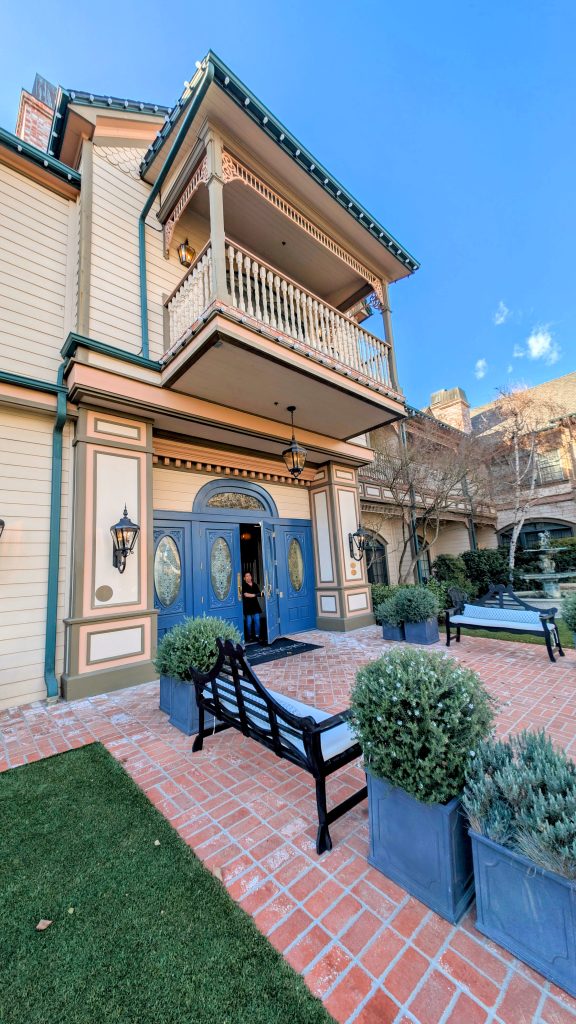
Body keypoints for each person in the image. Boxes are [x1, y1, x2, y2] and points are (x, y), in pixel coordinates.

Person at [242, 571, 262, 642]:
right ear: (244, 578)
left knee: (257, 622)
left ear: (251, 577)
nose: (248, 577)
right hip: (247, 607)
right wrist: (255, 595)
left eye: (249, 576)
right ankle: (249, 636)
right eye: (246, 576)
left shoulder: (255, 585)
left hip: (255, 606)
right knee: (249, 623)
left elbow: (259, 594)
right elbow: (246, 595)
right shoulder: (243, 585)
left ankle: (257, 636)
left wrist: (260, 594)